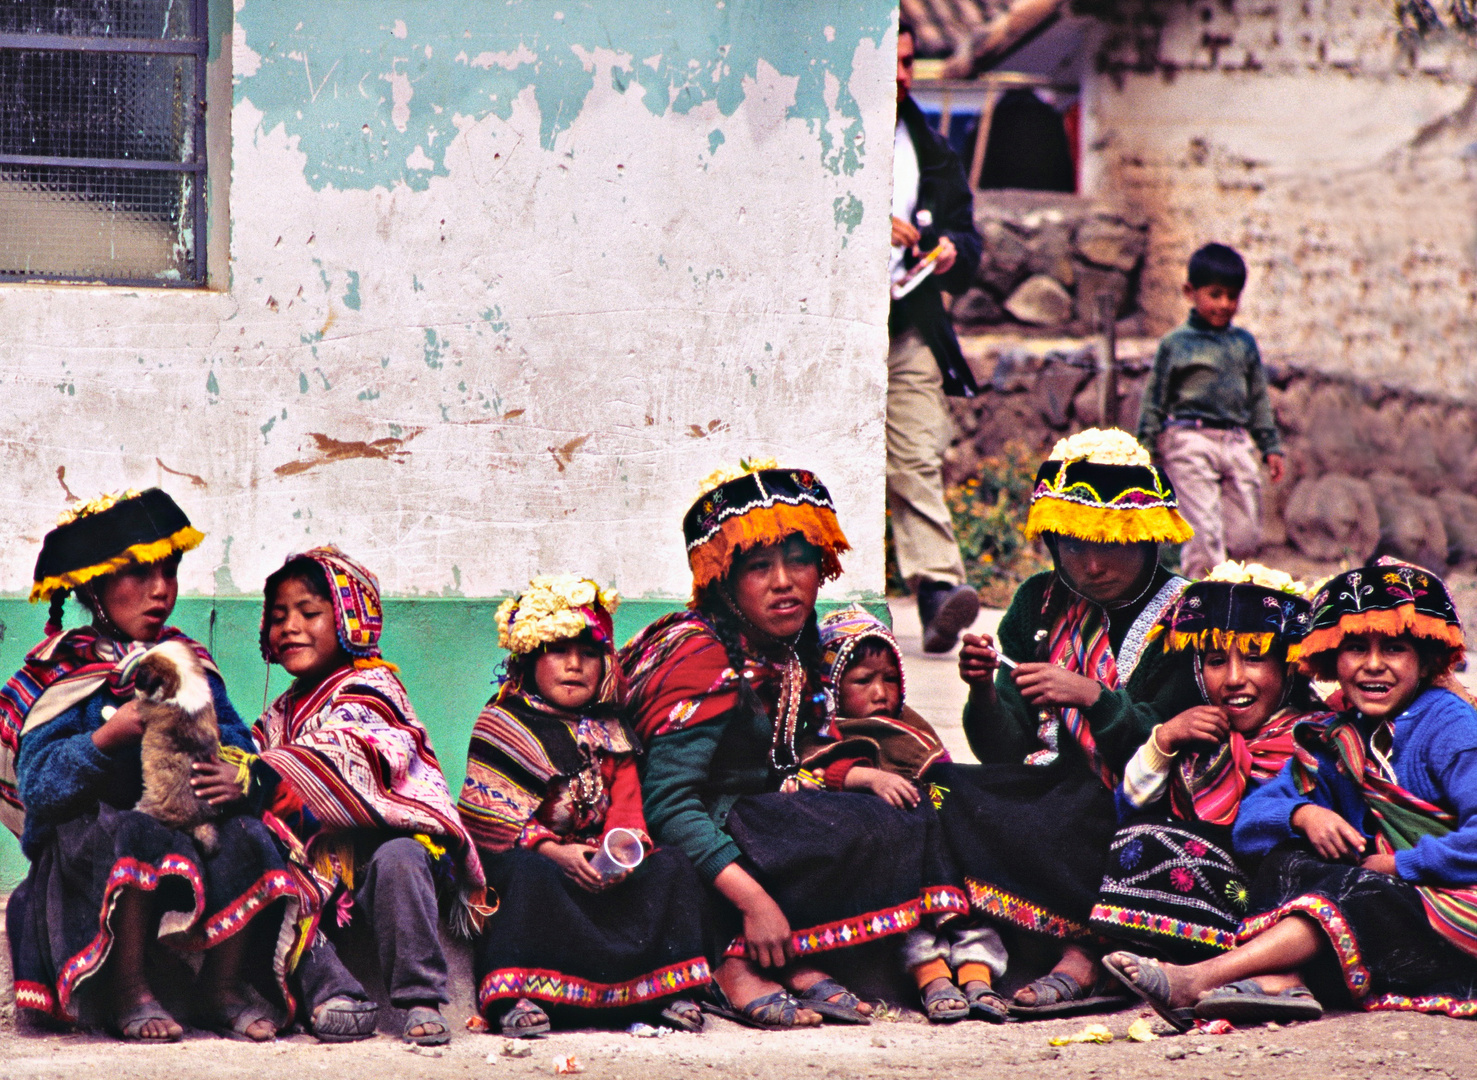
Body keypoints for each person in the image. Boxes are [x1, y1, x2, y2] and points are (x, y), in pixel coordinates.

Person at [623, 460, 968, 1030]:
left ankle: (799, 957)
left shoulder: (784, 644)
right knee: (847, 826)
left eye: (799, 560)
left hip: (753, 814)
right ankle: (733, 965)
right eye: (759, 567)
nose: (784, 581)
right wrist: (755, 903)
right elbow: (667, 807)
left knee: (896, 812)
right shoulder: (703, 655)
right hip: (680, 841)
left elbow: (793, 757)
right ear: (725, 581)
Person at [1105, 559, 1477, 1026]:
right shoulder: (1341, 737)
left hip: (1457, 912)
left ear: (1424, 660)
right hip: (1393, 909)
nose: (1373, 665)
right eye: (1356, 648)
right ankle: (1283, 980)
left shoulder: (1449, 726)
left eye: (1395, 648)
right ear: (1330, 658)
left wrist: (1402, 863)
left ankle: (1198, 978)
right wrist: (1303, 815)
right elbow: (1253, 820)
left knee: (1357, 887)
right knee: (1286, 860)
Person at [1, 489, 307, 1041]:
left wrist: (237, 775)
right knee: (137, 829)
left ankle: (220, 986)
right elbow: (38, 788)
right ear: (95, 584)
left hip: (184, 837)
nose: (161, 589)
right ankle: (128, 988)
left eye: (169, 571)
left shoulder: (188, 664)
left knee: (247, 835)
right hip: (89, 853)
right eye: (140, 574)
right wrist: (105, 737)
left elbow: (239, 743)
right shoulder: (56, 673)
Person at [952, 428, 1202, 1017]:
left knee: (1085, 814)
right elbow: (1006, 753)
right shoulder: (1038, 603)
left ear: (1147, 538)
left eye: (1110, 544)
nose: (1091, 564)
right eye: (1071, 544)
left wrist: (1093, 696)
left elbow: (1174, 749)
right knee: (946, 791)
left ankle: (1083, 951)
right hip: (1053, 791)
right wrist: (982, 693)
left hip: (1133, 803)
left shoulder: (1189, 616)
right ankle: (979, 946)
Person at [252, 545, 489, 1046]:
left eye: (309, 613)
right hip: (315, 863)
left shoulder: (374, 687)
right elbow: (254, 763)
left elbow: (359, 756)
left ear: (349, 620)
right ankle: (329, 990)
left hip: (384, 845)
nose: (290, 626)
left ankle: (419, 996)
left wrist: (267, 774)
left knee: (401, 859)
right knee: (261, 862)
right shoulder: (278, 714)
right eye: (278, 617)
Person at [458, 576, 711, 1038]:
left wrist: (620, 854)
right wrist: (555, 852)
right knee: (525, 873)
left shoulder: (613, 733)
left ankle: (666, 992)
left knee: (673, 865)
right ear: (530, 657)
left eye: (590, 652)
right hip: (544, 865)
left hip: (601, 867)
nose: (575, 665)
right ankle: (518, 995)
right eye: (557, 650)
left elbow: (629, 812)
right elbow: (489, 821)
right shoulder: (502, 723)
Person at [1088, 561, 1330, 962]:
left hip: (1278, 902)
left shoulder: (1316, 738)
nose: (1233, 678)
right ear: (1199, 672)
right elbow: (1126, 806)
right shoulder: (1197, 736)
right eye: (1217, 662)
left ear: (1288, 668)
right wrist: (1163, 741)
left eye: (1254, 659)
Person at [810, 607, 1010, 1024]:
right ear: (830, 685)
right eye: (863, 681)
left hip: (942, 846)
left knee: (973, 903)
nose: (881, 692)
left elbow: (941, 771)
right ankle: (931, 975)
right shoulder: (829, 732)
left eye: (891, 678)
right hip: (898, 861)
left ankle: (977, 975)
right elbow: (812, 771)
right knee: (911, 919)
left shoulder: (908, 726)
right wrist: (864, 777)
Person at [890, 17, 986, 653]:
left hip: (910, 319)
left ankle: (936, 591)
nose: (901, 77)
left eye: (908, 63)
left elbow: (970, 237)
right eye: (890, 64)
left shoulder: (927, 142)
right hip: (827, 327)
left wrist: (951, 249)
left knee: (918, 451)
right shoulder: (821, 130)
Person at [1137, 242, 1286, 580]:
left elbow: (1258, 398)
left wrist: (1270, 446)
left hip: (1235, 440)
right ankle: (1200, 600)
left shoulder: (1243, 344)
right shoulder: (1176, 344)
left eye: (1232, 296)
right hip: (1188, 438)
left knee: (1246, 534)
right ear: (1190, 292)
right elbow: (1154, 399)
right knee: (1203, 532)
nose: (1224, 304)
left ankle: (1231, 587)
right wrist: (1143, 448)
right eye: (1215, 294)